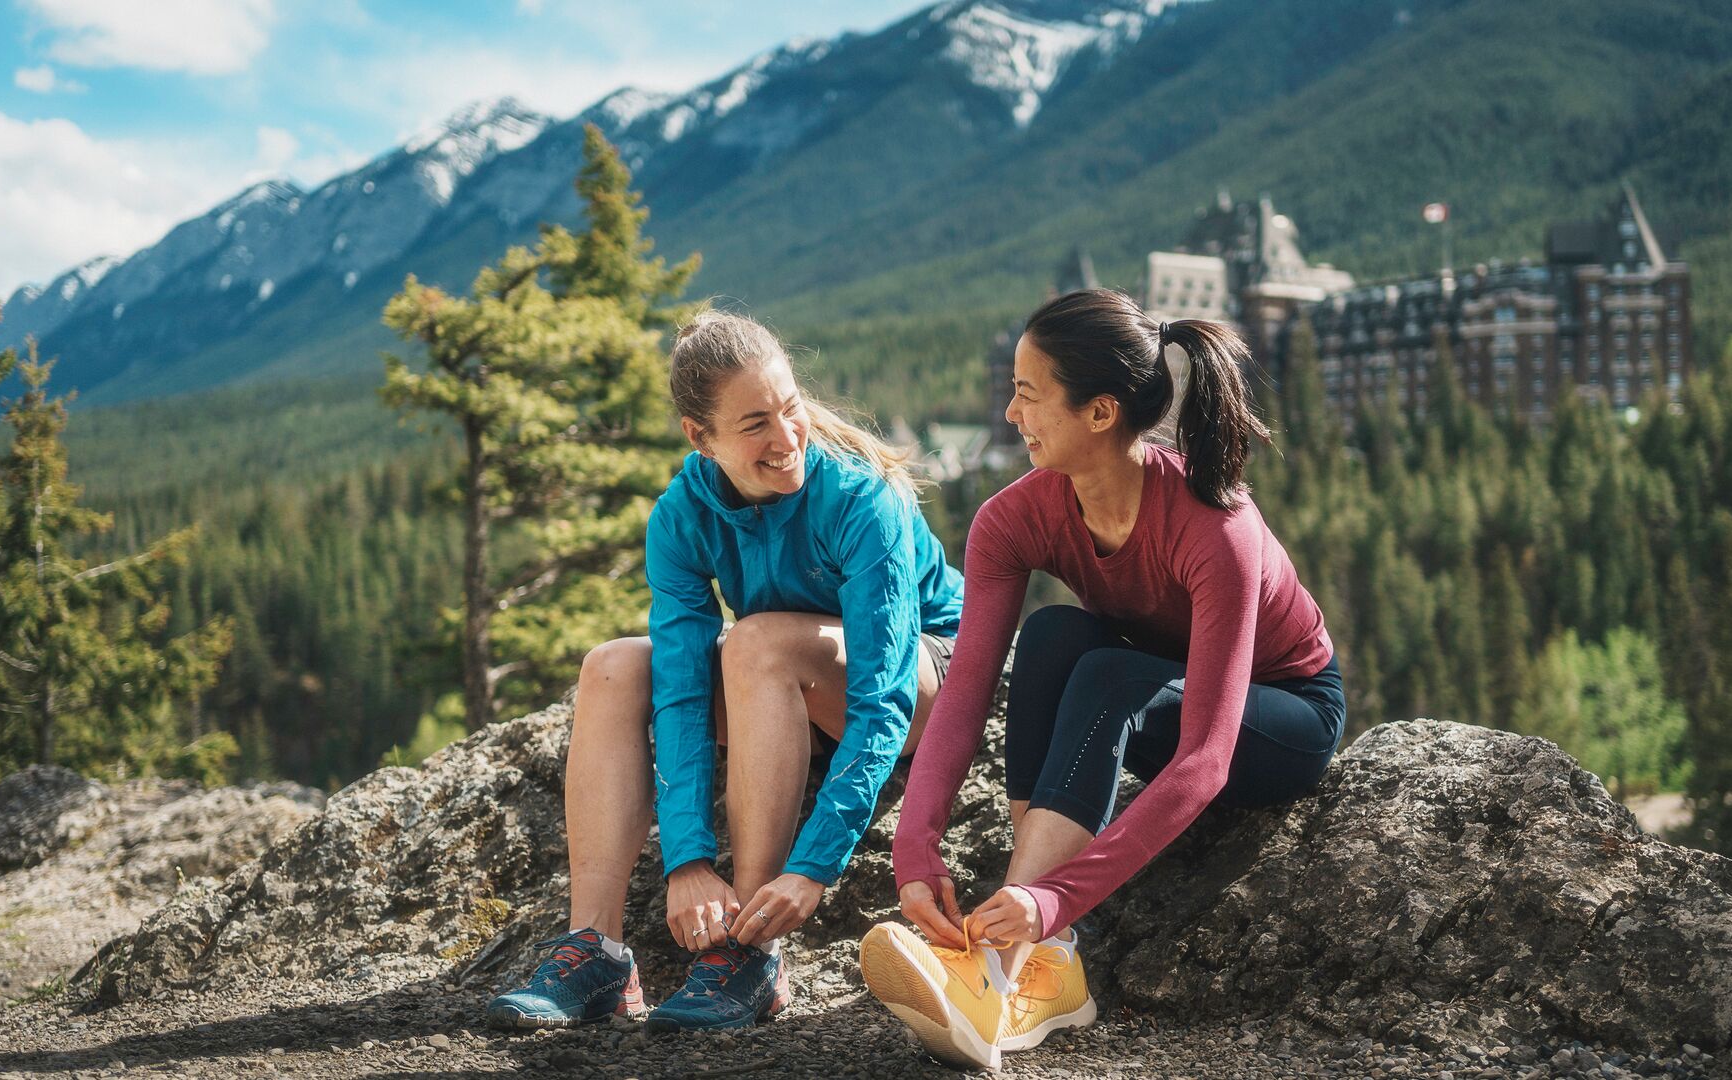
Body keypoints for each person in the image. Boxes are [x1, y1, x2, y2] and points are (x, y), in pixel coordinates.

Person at [860, 288, 1345, 1069]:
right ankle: (1046, 964)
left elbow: (1206, 760)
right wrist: (914, 849)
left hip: (1282, 715)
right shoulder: (1013, 519)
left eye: (1028, 394)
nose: (1011, 414)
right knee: (1052, 636)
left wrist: (1053, 895)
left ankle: (1008, 961)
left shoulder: (1216, 527)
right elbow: (965, 694)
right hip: (1156, 679)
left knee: (1109, 674)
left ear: (1100, 412)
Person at [487, 310, 964, 1033]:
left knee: (755, 642)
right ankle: (597, 952)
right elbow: (678, 691)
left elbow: (882, 700)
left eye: (790, 407)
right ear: (698, 438)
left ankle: (749, 948)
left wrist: (812, 867)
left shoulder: (864, 499)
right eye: (754, 425)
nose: (786, 439)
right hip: (783, 680)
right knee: (614, 667)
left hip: (923, 678)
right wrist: (686, 861)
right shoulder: (681, 517)